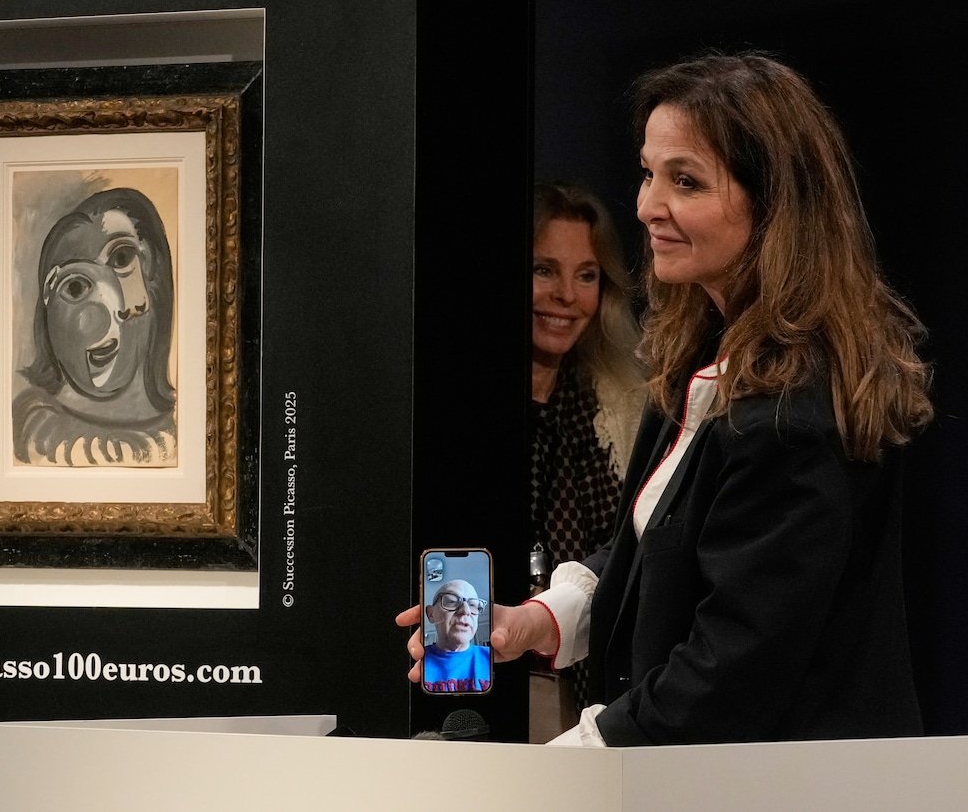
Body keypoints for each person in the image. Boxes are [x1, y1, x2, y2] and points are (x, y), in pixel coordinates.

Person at [399, 51, 933, 746]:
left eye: (686, 180)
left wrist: (561, 765)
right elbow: (652, 551)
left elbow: (732, 668)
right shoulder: (700, 363)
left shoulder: (794, 408)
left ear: (775, 204)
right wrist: (537, 619)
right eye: (649, 173)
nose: (648, 206)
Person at [529, 181, 647, 735]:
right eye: (544, 270)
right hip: (486, 668)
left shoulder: (627, 406)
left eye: (586, 276)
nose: (565, 296)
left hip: (595, 690)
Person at [13, 187, 179, 466]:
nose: (105, 305)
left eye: (121, 260)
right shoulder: (30, 429)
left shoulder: (192, 429)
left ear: (151, 265)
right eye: (75, 287)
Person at [422, 580, 493, 693]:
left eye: (473, 605)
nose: (466, 611)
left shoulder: (496, 657)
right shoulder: (415, 662)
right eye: (451, 601)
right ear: (431, 614)